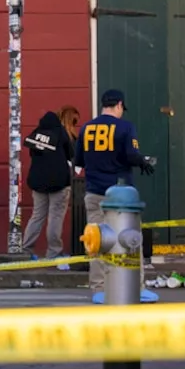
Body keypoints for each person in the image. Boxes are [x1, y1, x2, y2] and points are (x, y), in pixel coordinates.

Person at [75, 89, 155, 303]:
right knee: (130, 240)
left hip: (94, 193)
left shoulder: (86, 128)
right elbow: (131, 154)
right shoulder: (126, 127)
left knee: (97, 241)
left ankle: (100, 289)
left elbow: (79, 161)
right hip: (122, 198)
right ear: (119, 105)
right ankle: (135, 288)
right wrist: (142, 162)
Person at [21, 110, 74, 259]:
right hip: (59, 183)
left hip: (38, 183)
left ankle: (26, 250)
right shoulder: (61, 133)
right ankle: (53, 252)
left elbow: (32, 153)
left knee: (37, 216)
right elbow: (71, 153)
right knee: (55, 218)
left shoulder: (36, 134)